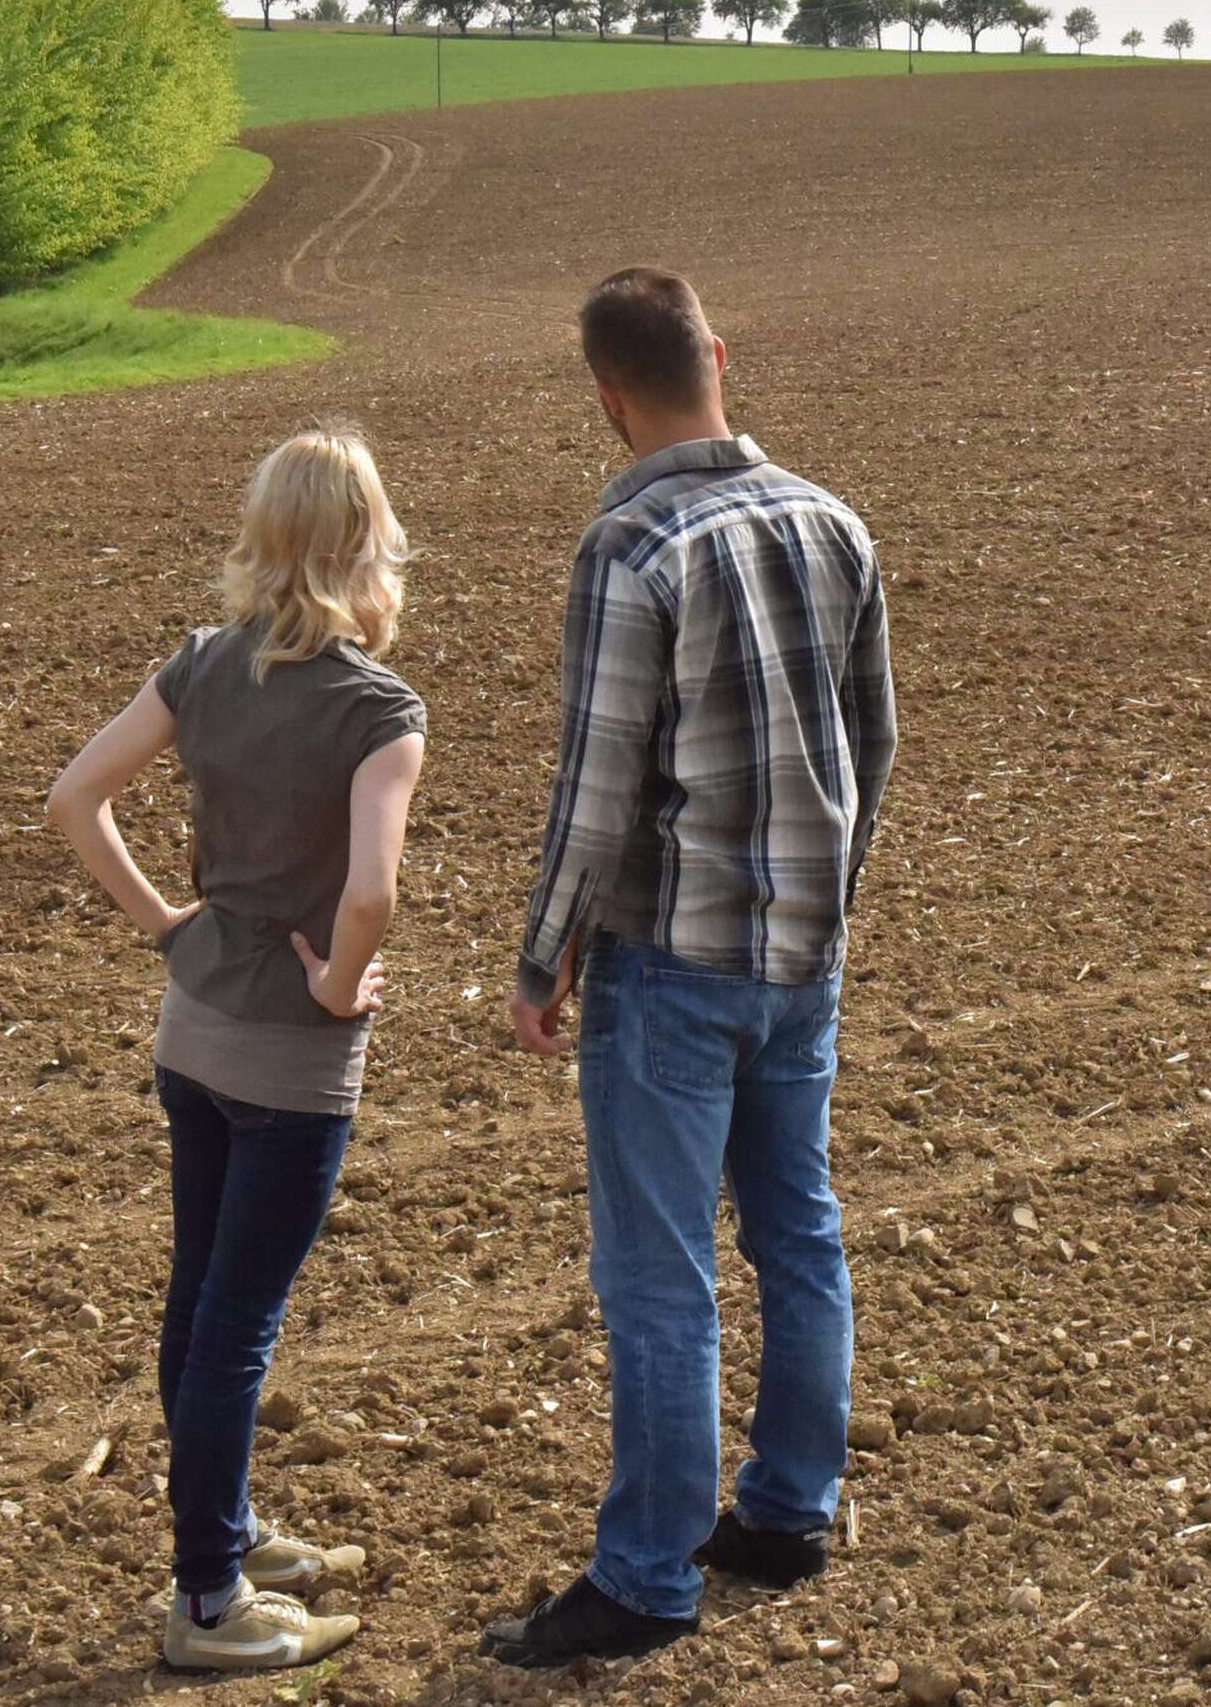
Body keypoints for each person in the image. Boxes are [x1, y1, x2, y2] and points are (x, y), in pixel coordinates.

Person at [481, 268, 897, 1668]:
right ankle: (788, 1510)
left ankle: (647, 1578)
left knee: (660, 1280)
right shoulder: (835, 522)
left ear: (607, 395)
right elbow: (872, 744)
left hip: (670, 964)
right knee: (799, 1228)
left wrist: (542, 958)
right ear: (719, 353)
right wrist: (826, 900)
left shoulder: (631, 547)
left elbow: (596, 794)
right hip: (805, 954)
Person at [46, 427, 427, 1673]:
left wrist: (167, 920)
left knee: (199, 1300)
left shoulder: (202, 665)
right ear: (365, 549)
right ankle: (207, 1599)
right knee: (236, 1328)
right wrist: (335, 981)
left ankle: (227, 1533)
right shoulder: (379, 711)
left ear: (265, 541)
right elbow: (371, 893)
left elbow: (74, 799)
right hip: (289, 1067)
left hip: (192, 1035)